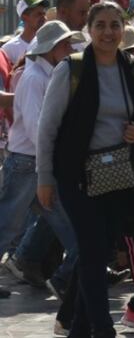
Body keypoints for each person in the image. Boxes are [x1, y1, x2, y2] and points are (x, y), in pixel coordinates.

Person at [36, 1, 134, 336]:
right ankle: (103, 329)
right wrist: (44, 179)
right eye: (100, 25)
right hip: (77, 175)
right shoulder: (70, 70)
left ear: (124, 28)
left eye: (115, 25)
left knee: (99, 253)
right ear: (89, 28)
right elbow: (47, 127)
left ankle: (79, 329)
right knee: (92, 251)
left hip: (119, 173)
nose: (108, 32)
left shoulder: (130, 66)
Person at [0, 21, 82, 298]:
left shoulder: (44, 74)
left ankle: (74, 271)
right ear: (54, 48)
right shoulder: (35, 78)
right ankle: (71, 273)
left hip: (35, 163)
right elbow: (39, 130)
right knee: (8, 224)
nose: (70, 49)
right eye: (66, 44)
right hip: (28, 163)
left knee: (64, 223)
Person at [3, 0, 49, 65]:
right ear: (24, 17)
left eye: (44, 14)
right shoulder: (9, 48)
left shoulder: (50, 43)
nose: (44, 18)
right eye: (39, 14)